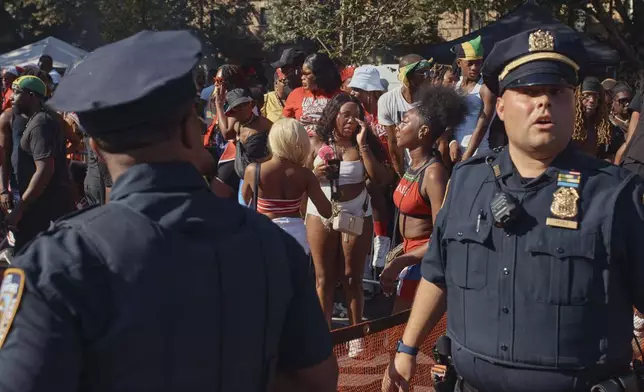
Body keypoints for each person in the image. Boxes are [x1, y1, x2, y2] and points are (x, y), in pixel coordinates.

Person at [0, 30, 338, 392]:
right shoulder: (273, 247)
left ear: (96, 149)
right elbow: (317, 380)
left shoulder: (57, 263)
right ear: (189, 130)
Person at [383, 28, 644, 392]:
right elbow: (437, 274)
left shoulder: (614, 195)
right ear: (501, 107)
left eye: (557, 92)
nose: (544, 103)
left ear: (573, 103)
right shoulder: (466, 182)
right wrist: (407, 348)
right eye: (529, 91)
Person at [307, 93, 392, 328]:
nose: (351, 121)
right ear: (333, 114)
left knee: (352, 277)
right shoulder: (316, 141)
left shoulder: (363, 142)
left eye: (356, 116)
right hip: (322, 212)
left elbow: (381, 179)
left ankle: (355, 334)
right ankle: (324, 336)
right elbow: (300, 177)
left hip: (354, 213)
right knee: (324, 278)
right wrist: (315, 174)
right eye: (345, 115)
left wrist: (363, 145)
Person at [379, 86, 464, 313]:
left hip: (421, 264)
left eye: (405, 122)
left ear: (423, 131)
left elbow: (440, 237)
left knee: (402, 332)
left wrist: (401, 262)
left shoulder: (434, 174)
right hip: (409, 257)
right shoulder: (414, 167)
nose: (398, 127)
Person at [5, 75, 75, 251]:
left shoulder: (41, 123)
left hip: (46, 209)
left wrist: (19, 208)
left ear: (32, 96)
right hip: (38, 206)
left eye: (17, 93)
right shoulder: (36, 120)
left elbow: (44, 171)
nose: (11, 97)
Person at [243, 118, 332, 253]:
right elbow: (326, 211)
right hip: (296, 236)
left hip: (264, 233)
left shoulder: (254, 170)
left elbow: (246, 200)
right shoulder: (306, 175)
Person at [347, 65, 393, 271]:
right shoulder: (358, 114)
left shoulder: (386, 108)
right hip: (367, 163)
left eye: (358, 89)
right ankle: (359, 249)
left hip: (389, 167)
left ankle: (381, 239)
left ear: (370, 91)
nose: (353, 92)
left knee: (371, 186)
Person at [378, 54, 433, 177]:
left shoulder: (433, 99)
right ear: (408, 76)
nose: (428, 77)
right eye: (422, 73)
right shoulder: (387, 100)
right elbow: (393, 142)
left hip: (430, 165)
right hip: (408, 169)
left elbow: (439, 140)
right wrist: (400, 173)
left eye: (429, 72)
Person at [213, 87, 271, 199]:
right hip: (244, 178)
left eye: (244, 104)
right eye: (237, 107)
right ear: (233, 111)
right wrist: (219, 106)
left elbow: (277, 149)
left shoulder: (264, 124)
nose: (242, 109)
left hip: (261, 178)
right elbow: (226, 134)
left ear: (250, 104)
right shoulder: (237, 125)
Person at [449, 36, 495, 163]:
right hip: (457, 154)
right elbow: (451, 122)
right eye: (470, 63)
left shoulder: (485, 89)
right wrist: (452, 142)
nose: (474, 67)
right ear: (459, 63)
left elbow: (483, 125)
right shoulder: (455, 87)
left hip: (478, 155)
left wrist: (466, 158)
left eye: (478, 62)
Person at [283, 53, 342, 137]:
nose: (302, 77)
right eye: (302, 73)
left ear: (320, 75)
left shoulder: (340, 97)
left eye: (306, 74)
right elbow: (283, 125)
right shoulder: (296, 94)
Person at [571, 77, 622, 160]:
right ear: (579, 96)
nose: (592, 100)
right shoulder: (567, 122)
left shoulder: (606, 126)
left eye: (595, 96)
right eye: (587, 95)